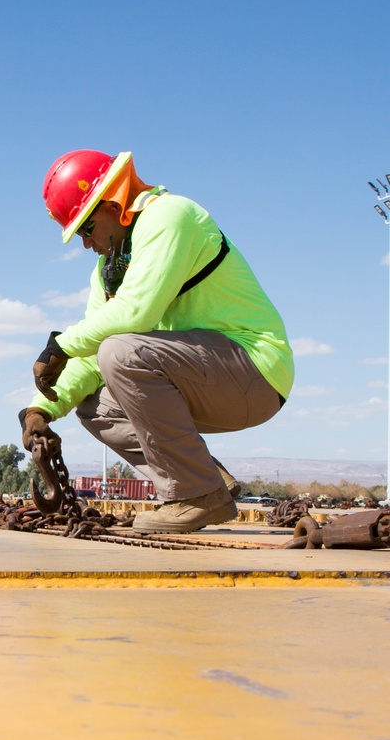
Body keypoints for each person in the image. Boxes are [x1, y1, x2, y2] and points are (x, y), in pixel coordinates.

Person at [20, 149, 293, 533]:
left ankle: (196, 496)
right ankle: (206, 481)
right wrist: (40, 411)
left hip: (254, 371)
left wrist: (58, 346)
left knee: (120, 351)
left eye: (86, 228)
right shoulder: (110, 267)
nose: (86, 244)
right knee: (93, 405)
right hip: (206, 377)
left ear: (113, 201)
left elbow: (134, 315)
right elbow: (91, 351)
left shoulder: (169, 216)